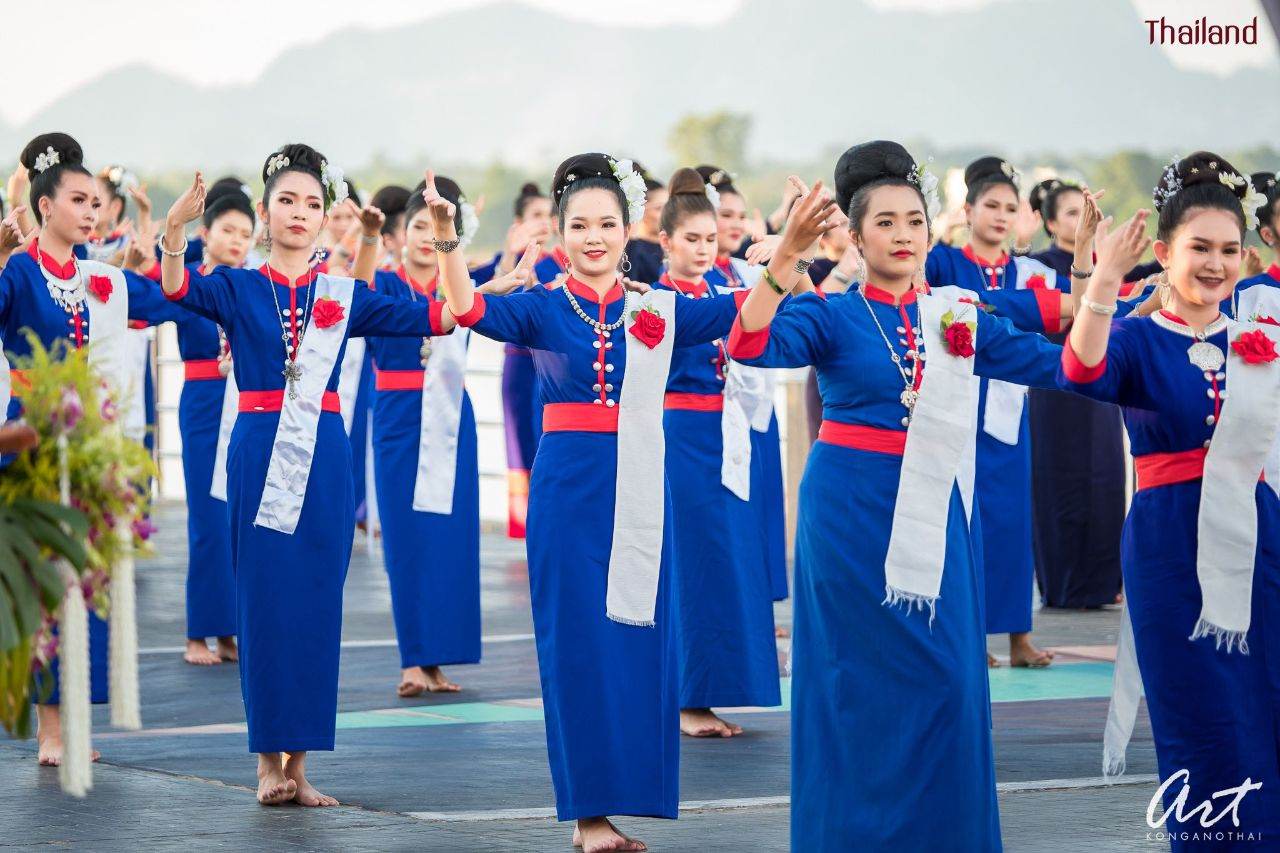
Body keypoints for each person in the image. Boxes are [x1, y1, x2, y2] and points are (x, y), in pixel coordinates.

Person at [729, 142, 1067, 851]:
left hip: (934, 512)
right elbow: (749, 342)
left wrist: (1128, 319)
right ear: (854, 237)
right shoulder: (831, 315)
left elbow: (1058, 362)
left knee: (949, 682)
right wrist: (784, 256)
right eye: (885, 222)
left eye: (914, 220)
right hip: (847, 518)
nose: (904, 234)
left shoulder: (958, 315)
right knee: (852, 689)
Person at [432, 153, 751, 853]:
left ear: (629, 225)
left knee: (639, 639)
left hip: (642, 482)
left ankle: (628, 796)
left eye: (607, 223)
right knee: (576, 645)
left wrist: (785, 257)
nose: (595, 236)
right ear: (560, 231)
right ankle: (588, 815)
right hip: (568, 489)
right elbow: (467, 308)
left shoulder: (657, 308)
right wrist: (451, 242)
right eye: (579, 224)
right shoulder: (546, 306)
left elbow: (740, 311)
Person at [158, 144, 448, 807]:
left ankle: (303, 763)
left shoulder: (343, 294)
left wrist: (453, 252)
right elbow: (178, 288)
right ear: (265, 212)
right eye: (286, 200)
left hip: (325, 453)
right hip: (260, 448)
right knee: (263, 600)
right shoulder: (239, 284)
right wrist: (175, 230)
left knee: (319, 602)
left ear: (326, 217)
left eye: (312, 203)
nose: (299, 212)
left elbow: (433, 316)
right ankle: (267, 761)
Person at [1060, 152, 1280, 846]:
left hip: (1259, 536)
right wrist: (1103, 276)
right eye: (1198, 248)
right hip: (1169, 545)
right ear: (1163, 251)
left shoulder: (1261, 339)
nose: (1216, 264)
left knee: (1266, 701)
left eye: (1228, 250)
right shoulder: (1136, 338)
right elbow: (1081, 368)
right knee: (1199, 713)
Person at [0, 132, 186, 765]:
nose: (91, 212)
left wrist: (177, 239)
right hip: (33, 438)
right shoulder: (18, 270)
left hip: (91, 443)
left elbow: (173, 301)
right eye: (77, 200)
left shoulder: (103, 279)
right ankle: (50, 728)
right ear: (44, 206)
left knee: (88, 580)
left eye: (97, 202)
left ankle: (79, 714)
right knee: (46, 581)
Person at [369, 174, 529, 697]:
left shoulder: (455, 280)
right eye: (414, 226)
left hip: (452, 417)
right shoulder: (387, 284)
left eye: (431, 227)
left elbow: (493, 290)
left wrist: (506, 267)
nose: (421, 236)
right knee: (407, 538)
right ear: (400, 232)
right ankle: (412, 659)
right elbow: (359, 291)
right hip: (399, 413)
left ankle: (440, 657)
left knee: (451, 539)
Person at [926, 156, 1075, 668]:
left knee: (1010, 518)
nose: (1000, 215)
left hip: (1007, 413)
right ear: (967, 210)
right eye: (990, 205)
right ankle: (966, 630)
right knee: (960, 514)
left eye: (1011, 208)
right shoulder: (944, 262)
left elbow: (1065, 311)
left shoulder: (1031, 272)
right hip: (952, 404)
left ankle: (1016, 634)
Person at [652, 167, 780, 739]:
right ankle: (687, 697)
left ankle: (717, 688)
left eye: (710, 239)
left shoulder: (720, 292)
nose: (704, 249)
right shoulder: (654, 300)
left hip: (727, 435)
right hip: (679, 436)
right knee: (691, 561)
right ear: (666, 243)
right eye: (692, 240)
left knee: (727, 557)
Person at [1025, 178, 1128, 617]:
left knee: (1105, 476)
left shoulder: (1108, 266)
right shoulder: (1037, 266)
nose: (1080, 219)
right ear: (1050, 222)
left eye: (1085, 212)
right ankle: (1062, 582)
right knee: (1058, 478)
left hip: (1100, 385)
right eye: (1070, 212)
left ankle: (1105, 581)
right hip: (1055, 386)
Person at [170, 188, 256, 665]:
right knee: (206, 516)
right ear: (206, 234)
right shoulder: (190, 283)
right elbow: (148, 301)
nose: (237, 241)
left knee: (237, 518)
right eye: (228, 230)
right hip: (204, 403)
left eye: (246, 234)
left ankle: (230, 631)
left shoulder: (250, 286)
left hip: (242, 402)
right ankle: (197, 633)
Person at [624, 165, 666, 284]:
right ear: (640, 210)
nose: (667, 213)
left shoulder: (673, 245)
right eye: (658, 208)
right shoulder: (633, 249)